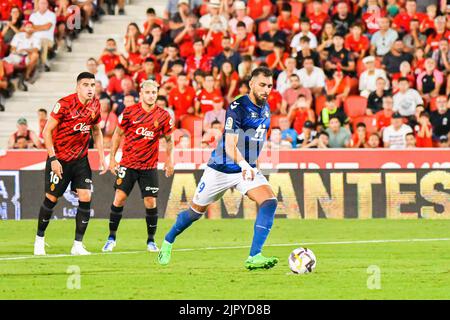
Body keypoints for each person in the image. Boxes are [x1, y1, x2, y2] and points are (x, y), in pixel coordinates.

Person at [158, 67, 279, 270]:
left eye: (269, 86)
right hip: (220, 169)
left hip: (245, 170)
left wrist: (253, 164)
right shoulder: (237, 106)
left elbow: (257, 139)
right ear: (251, 84)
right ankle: (168, 240)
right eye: (262, 85)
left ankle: (254, 256)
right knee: (195, 212)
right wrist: (243, 164)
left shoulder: (266, 108)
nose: (266, 89)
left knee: (269, 202)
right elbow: (230, 144)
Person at [33, 72, 107, 256]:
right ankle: (39, 240)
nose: (90, 88)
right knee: (51, 199)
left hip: (80, 160)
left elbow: (96, 131)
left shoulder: (95, 105)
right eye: (85, 85)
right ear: (77, 87)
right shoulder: (64, 104)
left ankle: (77, 245)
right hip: (60, 159)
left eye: (92, 85)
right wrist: (53, 159)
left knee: (85, 196)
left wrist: (102, 156)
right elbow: (47, 132)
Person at [102, 80, 174, 253]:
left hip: (149, 166)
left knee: (150, 202)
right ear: (141, 93)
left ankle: (151, 241)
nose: (151, 95)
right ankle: (111, 238)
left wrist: (169, 160)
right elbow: (117, 135)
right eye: (148, 92)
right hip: (128, 163)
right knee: (119, 198)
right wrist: (112, 159)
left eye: (154, 93)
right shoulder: (129, 112)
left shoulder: (163, 116)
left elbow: (169, 140)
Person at [29, 0, 56, 72]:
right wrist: (42, 27)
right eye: (41, 3)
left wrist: (35, 27)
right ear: (38, 4)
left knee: (42, 42)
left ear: (47, 5)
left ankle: (44, 64)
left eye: (45, 3)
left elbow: (47, 27)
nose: (43, 5)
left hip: (48, 39)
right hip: (33, 39)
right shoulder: (33, 15)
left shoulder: (52, 15)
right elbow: (30, 27)